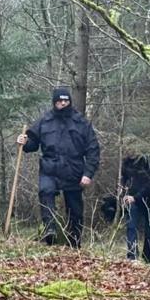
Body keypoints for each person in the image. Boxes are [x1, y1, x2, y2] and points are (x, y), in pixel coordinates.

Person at [17, 87, 100, 248]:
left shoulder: (81, 122)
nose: (63, 103)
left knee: (75, 209)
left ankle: (74, 243)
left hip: (74, 170)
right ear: (54, 102)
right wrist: (24, 142)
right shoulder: (45, 120)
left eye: (66, 100)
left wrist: (88, 174)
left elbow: (93, 149)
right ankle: (50, 231)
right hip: (50, 168)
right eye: (60, 101)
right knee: (45, 192)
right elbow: (33, 142)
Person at [121, 153, 150, 263]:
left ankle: (148, 258)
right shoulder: (127, 162)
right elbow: (124, 179)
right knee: (131, 226)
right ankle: (132, 256)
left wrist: (136, 197)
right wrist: (123, 193)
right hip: (133, 199)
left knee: (149, 230)